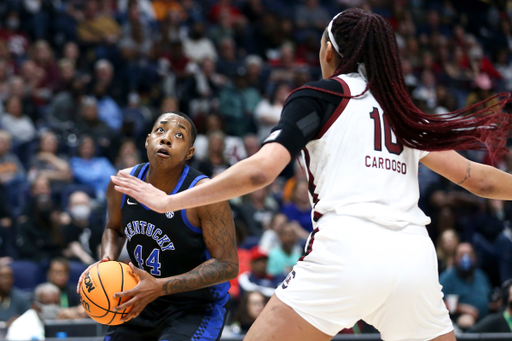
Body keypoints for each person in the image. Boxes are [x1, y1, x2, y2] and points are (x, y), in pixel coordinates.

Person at [111, 9, 512, 341]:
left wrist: (169, 201)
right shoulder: (402, 111)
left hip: (346, 252)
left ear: (329, 51)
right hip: (414, 260)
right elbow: (478, 179)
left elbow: (260, 172)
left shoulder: (320, 96)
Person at [77, 112, 238, 341]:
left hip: (194, 306)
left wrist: (160, 287)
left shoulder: (206, 196)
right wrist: (106, 260)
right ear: (147, 140)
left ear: (189, 153)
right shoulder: (123, 183)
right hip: (140, 298)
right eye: (160, 131)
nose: (166, 138)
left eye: (179, 135)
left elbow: (228, 265)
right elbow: (114, 229)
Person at [440, 243, 492, 329]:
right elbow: (437, 304)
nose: (466, 258)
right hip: (459, 323)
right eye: (461, 255)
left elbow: (489, 298)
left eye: (469, 254)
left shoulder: (481, 275)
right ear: (454, 258)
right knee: (466, 321)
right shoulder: (447, 278)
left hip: (486, 320)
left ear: (475, 257)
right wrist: (461, 308)